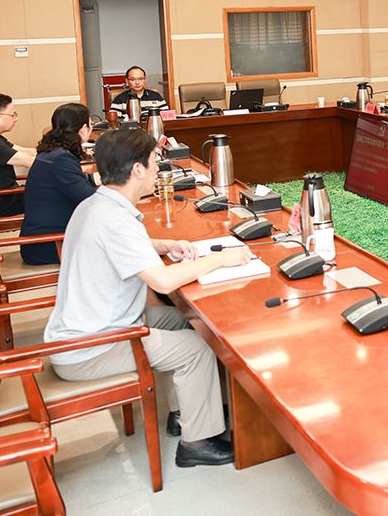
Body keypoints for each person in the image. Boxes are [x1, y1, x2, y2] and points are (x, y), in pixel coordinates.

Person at [45, 128, 253, 468]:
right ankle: (197, 442)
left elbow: (122, 247)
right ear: (137, 169)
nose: (159, 169)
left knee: (185, 321)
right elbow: (163, 281)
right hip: (93, 348)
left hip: (87, 333)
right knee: (198, 348)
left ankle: (183, 413)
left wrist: (164, 245)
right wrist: (222, 259)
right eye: (155, 161)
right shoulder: (116, 220)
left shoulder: (95, 205)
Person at [20, 102, 97, 265]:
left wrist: (98, 179)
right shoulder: (62, 158)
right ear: (83, 129)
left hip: (44, 240)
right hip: (50, 243)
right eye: (91, 124)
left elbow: (70, 183)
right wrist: (124, 190)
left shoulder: (52, 152)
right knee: (118, 247)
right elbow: (90, 199)